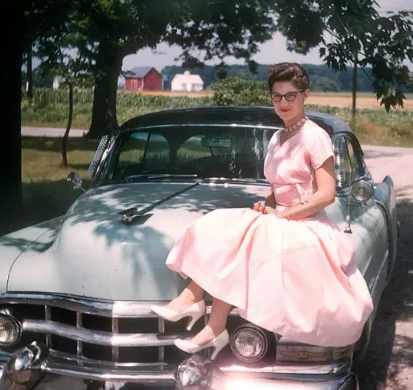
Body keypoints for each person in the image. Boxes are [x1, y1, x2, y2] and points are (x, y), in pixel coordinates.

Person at [149, 62, 374, 360]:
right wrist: (268, 205)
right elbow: (276, 187)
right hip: (279, 217)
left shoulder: (315, 136)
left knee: (241, 233)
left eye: (291, 96)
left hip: (305, 223)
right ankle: (212, 322)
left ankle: (196, 303)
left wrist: (284, 214)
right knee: (218, 225)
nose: (283, 103)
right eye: (277, 96)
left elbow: (326, 194)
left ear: (305, 95)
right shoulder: (277, 138)